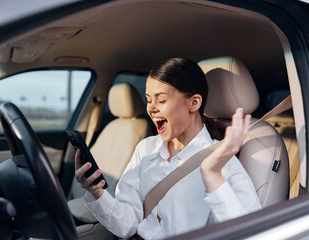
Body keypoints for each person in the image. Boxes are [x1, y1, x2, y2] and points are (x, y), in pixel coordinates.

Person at [74, 58, 262, 239]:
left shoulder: (224, 163)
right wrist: (97, 193)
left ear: (194, 103)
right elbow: (127, 225)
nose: (151, 109)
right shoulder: (145, 149)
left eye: (161, 100)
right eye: (148, 100)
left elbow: (250, 233)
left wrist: (212, 175)